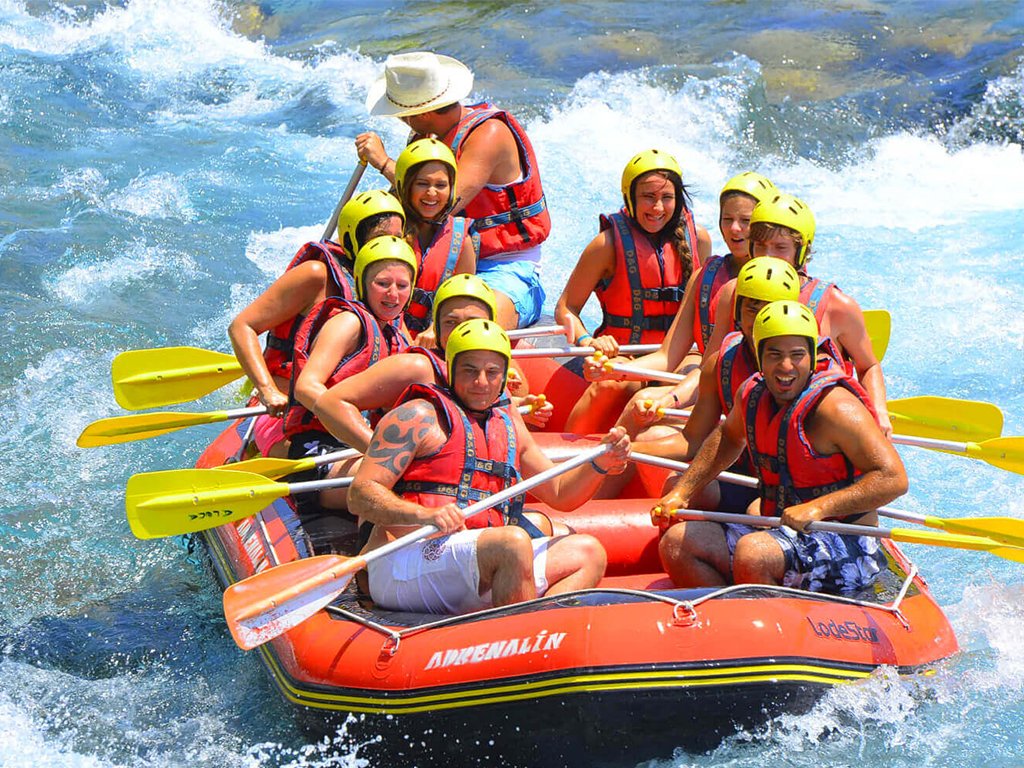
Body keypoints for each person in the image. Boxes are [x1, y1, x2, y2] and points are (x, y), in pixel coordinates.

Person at [349, 318, 631, 614]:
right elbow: (360, 494)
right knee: (511, 544)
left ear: (503, 375)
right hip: (406, 559)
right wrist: (423, 514)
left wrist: (600, 463)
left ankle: (533, 629)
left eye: (492, 372)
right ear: (451, 369)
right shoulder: (417, 416)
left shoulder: (507, 424)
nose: (481, 382)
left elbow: (561, 494)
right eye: (470, 370)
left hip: (474, 558)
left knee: (588, 552)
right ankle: (518, 638)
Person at [653, 300, 908, 594]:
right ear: (759, 357)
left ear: (812, 357)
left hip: (845, 540)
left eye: (797, 355)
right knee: (678, 544)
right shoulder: (753, 393)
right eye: (774, 354)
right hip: (779, 530)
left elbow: (894, 478)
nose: (786, 367)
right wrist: (683, 492)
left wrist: (819, 508)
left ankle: (769, 622)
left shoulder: (837, 409)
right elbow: (727, 438)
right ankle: (739, 619)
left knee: (753, 553)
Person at [356, 51, 549, 329]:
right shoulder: (425, 137)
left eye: (402, 114)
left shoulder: (489, 134)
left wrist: (385, 163)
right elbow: (401, 207)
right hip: (444, 258)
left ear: (420, 113)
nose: (400, 119)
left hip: (504, 268)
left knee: (464, 329)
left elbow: (444, 204)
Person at [573, 172, 775, 429]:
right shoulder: (706, 276)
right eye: (728, 219)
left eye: (745, 221)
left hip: (746, 388)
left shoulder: (781, 283)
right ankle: (576, 459)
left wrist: (673, 397)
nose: (735, 229)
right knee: (624, 392)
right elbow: (668, 355)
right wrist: (611, 371)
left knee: (650, 400)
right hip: (706, 374)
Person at [610, 258, 802, 504]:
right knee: (678, 486)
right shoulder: (721, 363)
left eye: (770, 310)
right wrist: (628, 449)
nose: (760, 321)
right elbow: (691, 439)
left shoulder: (809, 370)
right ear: (737, 313)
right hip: (748, 477)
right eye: (752, 309)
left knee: (757, 511)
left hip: (799, 488)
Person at [228, 190, 404, 457]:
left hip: (340, 413)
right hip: (288, 407)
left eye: (397, 239)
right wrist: (266, 390)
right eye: (380, 239)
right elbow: (242, 326)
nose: (390, 247)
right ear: (352, 239)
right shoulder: (316, 275)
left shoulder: (389, 292)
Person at [702, 192, 893, 436]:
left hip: (812, 434)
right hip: (745, 429)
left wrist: (879, 412)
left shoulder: (838, 306)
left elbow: (868, 366)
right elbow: (711, 365)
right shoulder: (735, 294)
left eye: (780, 248)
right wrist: (671, 398)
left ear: (801, 252)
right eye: (760, 246)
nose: (767, 256)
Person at [557, 150, 711, 433]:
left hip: (680, 354)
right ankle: (568, 452)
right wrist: (586, 340)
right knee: (612, 384)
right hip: (623, 351)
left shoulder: (698, 239)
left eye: (667, 198)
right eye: (648, 197)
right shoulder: (605, 245)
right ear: (630, 198)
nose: (658, 208)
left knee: (694, 381)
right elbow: (566, 308)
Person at [313, 273, 551, 454]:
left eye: (473, 321)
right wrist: (382, 455)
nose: (461, 330)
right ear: (436, 326)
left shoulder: (488, 371)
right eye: (451, 322)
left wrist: (520, 406)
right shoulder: (416, 367)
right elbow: (330, 402)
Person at [283, 236, 417, 552]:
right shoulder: (348, 322)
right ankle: (373, 571)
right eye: (382, 283)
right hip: (320, 450)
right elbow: (307, 386)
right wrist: (374, 446)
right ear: (362, 283)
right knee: (392, 483)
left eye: (402, 285)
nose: (393, 294)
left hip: (356, 449)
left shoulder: (395, 331)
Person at [393, 138, 477, 343]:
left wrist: (435, 330)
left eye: (441, 185)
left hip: (432, 339)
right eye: (422, 183)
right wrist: (407, 344)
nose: (431, 193)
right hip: (388, 329)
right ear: (406, 186)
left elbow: (463, 302)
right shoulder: (388, 229)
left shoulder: (461, 240)